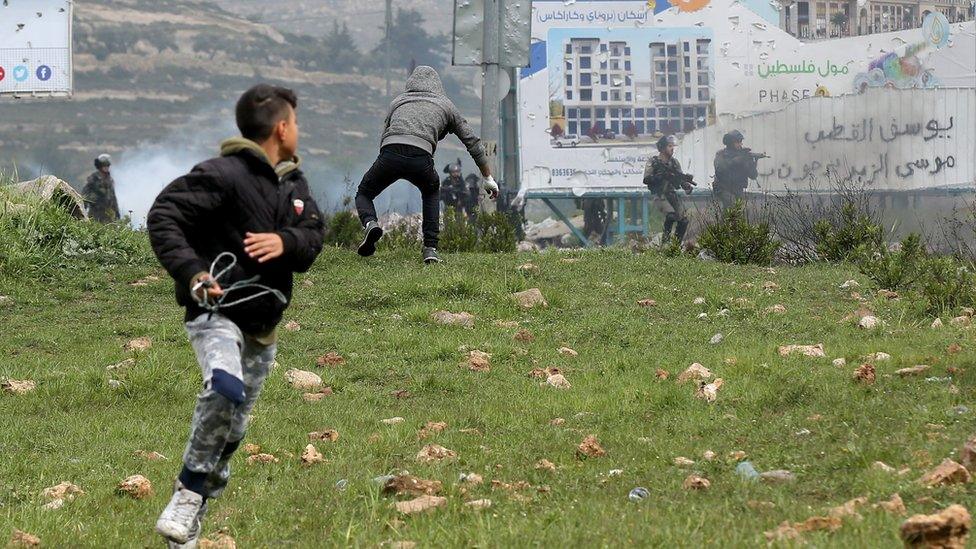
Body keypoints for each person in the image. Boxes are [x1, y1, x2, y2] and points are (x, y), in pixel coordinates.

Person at [147, 84, 323, 548]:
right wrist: (192, 272)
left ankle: (193, 511)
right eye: (297, 123)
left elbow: (313, 238)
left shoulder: (296, 186)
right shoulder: (220, 175)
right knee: (224, 387)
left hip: (263, 328)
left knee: (235, 426)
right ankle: (186, 493)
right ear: (283, 128)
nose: (299, 131)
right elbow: (164, 215)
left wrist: (287, 242)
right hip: (215, 314)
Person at [355, 65, 496, 264]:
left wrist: (387, 163)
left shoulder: (397, 101)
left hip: (390, 152)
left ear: (410, 84)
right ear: (438, 86)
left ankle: (370, 223)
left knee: (364, 193)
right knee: (430, 191)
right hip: (421, 157)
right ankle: (430, 248)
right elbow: (472, 142)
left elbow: (385, 132)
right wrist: (487, 177)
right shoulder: (446, 105)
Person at [643, 135, 694, 243]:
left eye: (672, 146)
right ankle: (665, 243)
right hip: (660, 195)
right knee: (671, 216)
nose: (672, 148)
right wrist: (658, 176)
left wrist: (686, 185)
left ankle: (676, 245)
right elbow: (646, 179)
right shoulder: (654, 162)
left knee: (683, 220)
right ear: (662, 147)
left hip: (672, 195)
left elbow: (679, 178)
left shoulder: (674, 163)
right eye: (669, 146)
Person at [713, 130, 760, 210]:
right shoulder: (721, 154)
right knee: (731, 206)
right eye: (737, 142)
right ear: (730, 143)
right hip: (723, 188)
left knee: (737, 211)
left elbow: (753, 175)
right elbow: (719, 169)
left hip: (737, 188)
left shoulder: (744, 155)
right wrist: (735, 161)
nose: (740, 144)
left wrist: (753, 162)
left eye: (741, 142)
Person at [81, 154, 120, 222]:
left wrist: (116, 212)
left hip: (108, 213)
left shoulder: (109, 180)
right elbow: (85, 193)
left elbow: (113, 197)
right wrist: (83, 209)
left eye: (108, 165)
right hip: (95, 212)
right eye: (104, 165)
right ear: (100, 166)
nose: (106, 167)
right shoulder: (93, 178)